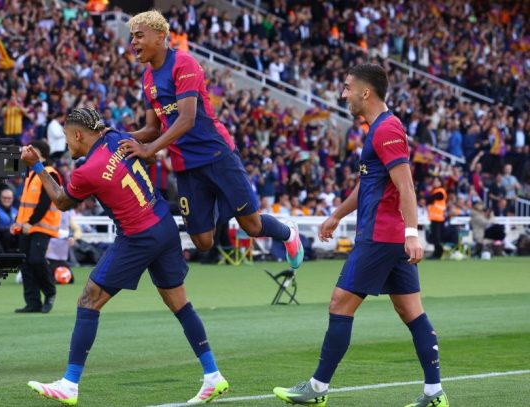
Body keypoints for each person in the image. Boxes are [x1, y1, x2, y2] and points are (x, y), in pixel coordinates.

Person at [23, 108, 229, 405]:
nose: (67, 144)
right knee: (180, 304)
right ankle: (212, 375)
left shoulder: (86, 171)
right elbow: (148, 155)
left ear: (78, 134)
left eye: (67, 138)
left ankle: (69, 384)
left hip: (137, 236)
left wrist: (37, 165)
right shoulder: (116, 137)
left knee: (88, 300)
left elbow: (61, 201)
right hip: (163, 224)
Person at [272, 64, 448, 407]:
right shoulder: (379, 128)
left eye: (346, 87)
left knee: (340, 303)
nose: (343, 94)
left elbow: (406, 185)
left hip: (382, 236)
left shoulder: (387, 128)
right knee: (411, 312)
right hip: (389, 237)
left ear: (365, 93)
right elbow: (369, 184)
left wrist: (412, 234)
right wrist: (337, 215)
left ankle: (317, 388)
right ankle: (434, 393)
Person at [119, 10, 303, 270]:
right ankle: (218, 200)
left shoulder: (184, 63)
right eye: (132, 37)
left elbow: (187, 119)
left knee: (252, 226)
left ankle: (288, 233)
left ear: (160, 37)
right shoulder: (147, 77)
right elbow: (151, 129)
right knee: (203, 242)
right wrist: (114, 136)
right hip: (185, 166)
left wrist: (149, 150)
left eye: (139, 36)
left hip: (216, 155)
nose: (133, 42)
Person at [12, 140, 62, 314]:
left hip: (40, 227)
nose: (25, 153)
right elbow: (26, 204)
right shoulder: (31, 173)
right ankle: (32, 302)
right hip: (27, 227)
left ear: (40, 154)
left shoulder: (50, 173)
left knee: (36, 260)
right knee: (26, 264)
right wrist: (18, 223)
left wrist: (30, 222)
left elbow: (45, 203)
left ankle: (50, 293)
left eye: (30, 151)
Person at [426, 176, 447, 259]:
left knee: (436, 237)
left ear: (440, 183)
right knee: (435, 237)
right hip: (434, 218)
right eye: (434, 181)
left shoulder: (440, 191)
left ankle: (438, 253)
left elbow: (429, 199)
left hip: (438, 218)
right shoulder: (435, 191)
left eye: (437, 181)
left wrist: (429, 193)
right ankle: (437, 252)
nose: (435, 182)